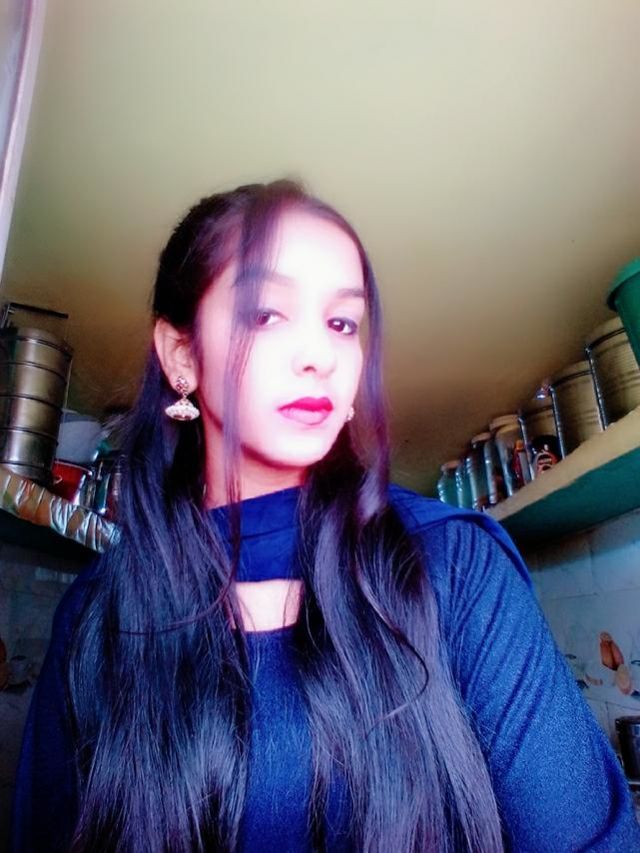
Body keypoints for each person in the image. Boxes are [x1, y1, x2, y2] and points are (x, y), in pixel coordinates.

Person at [10, 180, 640, 852]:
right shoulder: (96, 617)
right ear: (182, 356)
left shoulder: (455, 567)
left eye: (342, 323)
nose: (320, 355)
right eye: (264, 313)